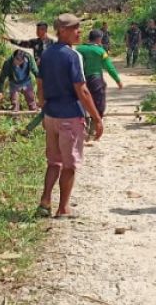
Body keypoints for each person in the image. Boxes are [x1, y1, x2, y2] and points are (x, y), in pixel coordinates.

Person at [36, 14, 104, 218]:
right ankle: (63, 208)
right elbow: (81, 90)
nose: (78, 32)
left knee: (53, 162)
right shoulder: (72, 56)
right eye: (75, 28)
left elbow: (40, 83)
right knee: (69, 164)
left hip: (51, 116)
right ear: (62, 31)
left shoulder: (47, 53)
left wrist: (43, 104)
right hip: (70, 116)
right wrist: (97, 118)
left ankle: (45, 202)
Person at [78, 28, 123, 136]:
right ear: (99, 39)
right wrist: (117, 80)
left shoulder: (79, 49)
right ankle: (94, 126)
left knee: (81, 102)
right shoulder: (100, 51)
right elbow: (109, 67)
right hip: (95, 79)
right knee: (99, 103)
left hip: (79, 80)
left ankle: (83, 125)